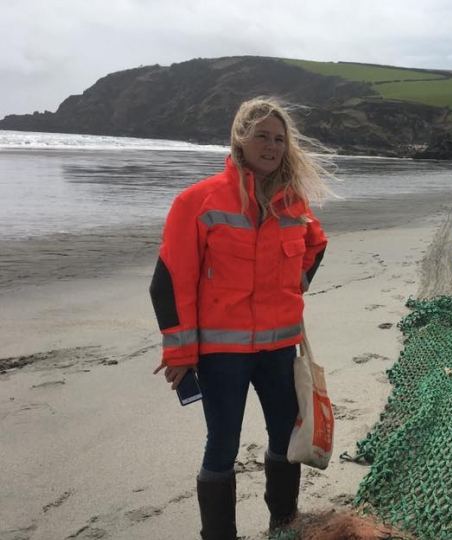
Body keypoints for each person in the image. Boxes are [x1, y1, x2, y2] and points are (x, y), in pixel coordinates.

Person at [149, 96, 333, 540]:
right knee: (222, 446)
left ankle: (282, 525)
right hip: (221, 356)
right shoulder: (198, 201)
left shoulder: (293, 203)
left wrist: (298, 282)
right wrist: (180, 352)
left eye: (278, 139)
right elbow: (170, 283)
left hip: (279, 351)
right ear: (239, 139)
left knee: (284, 440)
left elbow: (317, 245)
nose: (271, 146)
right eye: (262, 137)